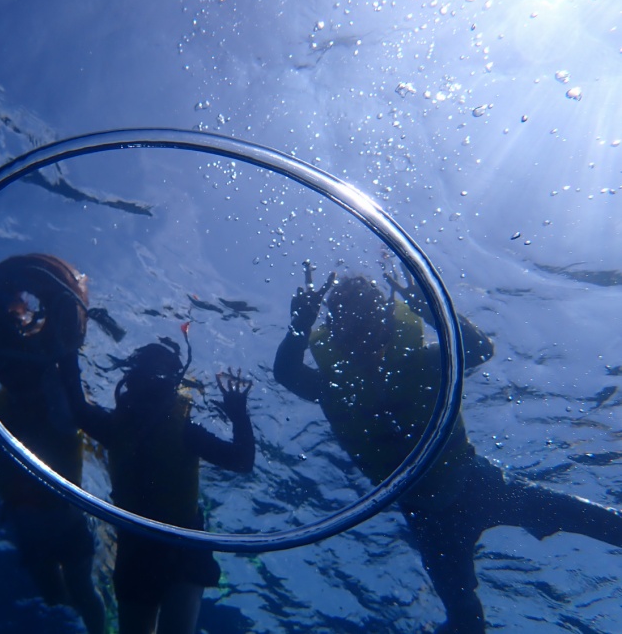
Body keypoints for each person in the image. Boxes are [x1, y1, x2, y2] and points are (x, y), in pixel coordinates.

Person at [273, 261, 622, 634]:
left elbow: (477, 348)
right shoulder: (333, 387)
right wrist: (298, 325)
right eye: (351, 324)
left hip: (478, 483)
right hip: (427, 518)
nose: (363, 335)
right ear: (335, 333)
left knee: (600, 520)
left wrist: (430, 306)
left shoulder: (423, 362)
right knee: (463, 617)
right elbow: (286, 373)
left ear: (388, 323)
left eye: (370, 320)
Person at [0, 253, 106, 634]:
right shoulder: (2, 420)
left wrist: (63, 356)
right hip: (26, 522)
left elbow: (73, 403)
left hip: (63, 518)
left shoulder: (58, 409)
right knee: (53, 596)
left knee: (82, 589)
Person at [66, 328, 255, 634]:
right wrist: (67, 346)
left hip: (178, 548)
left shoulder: (148, 429)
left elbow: (242, 462)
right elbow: (77, 410)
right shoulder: (124, 428)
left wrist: (68, 349)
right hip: (141, 551)